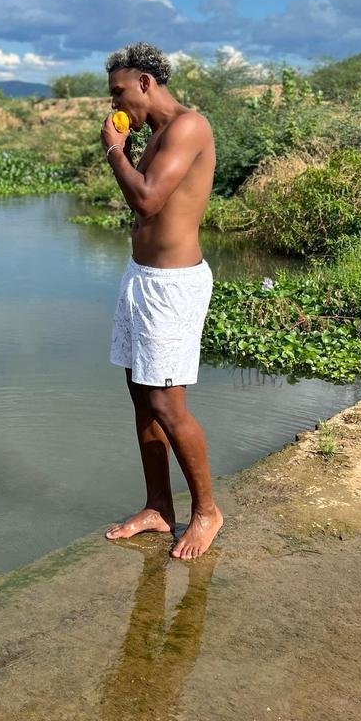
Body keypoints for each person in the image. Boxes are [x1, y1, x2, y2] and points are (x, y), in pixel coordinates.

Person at [101, 42, 222, 560]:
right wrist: (124, 150)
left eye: (119, 92)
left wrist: (113, 153)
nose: (114, 105)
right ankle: (157, 508)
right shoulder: (154, 134)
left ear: (146, 84)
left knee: (168, 405)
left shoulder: (188, 127)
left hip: (172, 287)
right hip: (141, 279)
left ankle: (207, 512)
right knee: (140, 396)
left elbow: (148, 199)